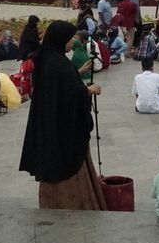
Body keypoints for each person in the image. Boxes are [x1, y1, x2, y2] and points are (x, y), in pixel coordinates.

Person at [19, 20, 106, 210]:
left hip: (48, 125)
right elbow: (68, 95)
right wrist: (89, 90)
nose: (73, 42)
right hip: (63, 133)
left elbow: (56, 87)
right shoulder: (59, 64)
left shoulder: (45, 57)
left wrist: (78, 71)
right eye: (70, 38)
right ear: (60, 39)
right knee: (66, 168)